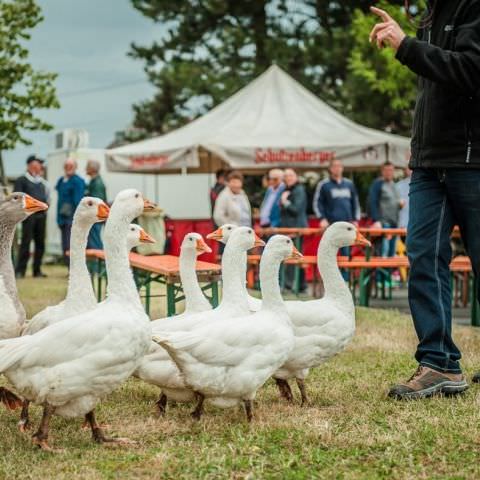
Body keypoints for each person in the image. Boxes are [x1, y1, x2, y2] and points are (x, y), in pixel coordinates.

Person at [370, 1, 480, 398]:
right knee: (423, 257)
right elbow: (437, 84)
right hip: (430, 163)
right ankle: (439, 363)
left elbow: (470, 71)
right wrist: (419, 146)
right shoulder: (433, 13)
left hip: (473, 161)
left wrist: (406, 46)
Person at [14, 155, 49, 278]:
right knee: (26, 242)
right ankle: (20, 270)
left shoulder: (42, 182)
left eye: (39, 165)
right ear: (29, 165)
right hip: (28, 217)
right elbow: (17, 199)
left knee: (40, 243)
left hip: (41, 216)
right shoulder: (21, 180)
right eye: (36, 164)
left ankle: (37, 270)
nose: (39, 166)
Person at [280, 168, 308, 292]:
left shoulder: (299, 190)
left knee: (293, 257)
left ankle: (288, 286)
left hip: (296, 230)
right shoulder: (288, 190)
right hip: (290, 230)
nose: (288, 178)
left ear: (296, 177)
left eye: (291, 175)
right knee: (297, 257)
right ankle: (302, 286)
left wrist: (285, 202)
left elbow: (296, 209)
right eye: (286, 176)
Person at [368, 162, 403, 258]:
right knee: (383, 253)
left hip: (394, 224)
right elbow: (372, 202)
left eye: (391, 170)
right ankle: (381, 273)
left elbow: (394, 202)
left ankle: (389, 273)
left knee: (392, 253)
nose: (389, 172)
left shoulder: (394, 185)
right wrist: (376, 221)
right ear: (382, 171)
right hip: (383, 224)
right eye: (386, 170)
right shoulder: (378, 184)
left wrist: (400, 205)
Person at [56, 159, 85, 265]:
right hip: (62, 218)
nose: (68, 168)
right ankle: (68, 267)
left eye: (71, 166)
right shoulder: (61, 180)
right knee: (65, 245)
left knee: (71, 245)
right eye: (66, 165)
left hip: (71, 219)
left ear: (75, 167)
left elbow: (79, 201)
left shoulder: (77, 181)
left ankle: (73, 268)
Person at [85, 160, 107, 250]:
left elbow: (97, 203)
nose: (85, 169)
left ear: (92, 169)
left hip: (96, 218)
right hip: (96, 217)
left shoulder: (97, 183)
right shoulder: (94, 181)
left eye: (87, 167)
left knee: (95, 242)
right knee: (95, 240)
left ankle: (99, 263)